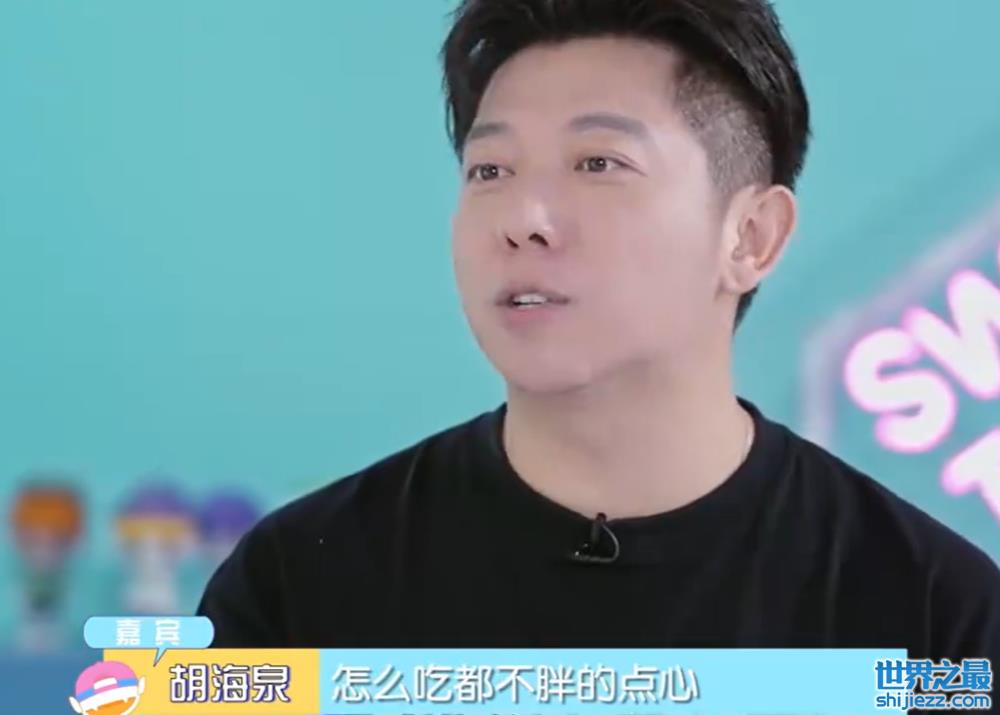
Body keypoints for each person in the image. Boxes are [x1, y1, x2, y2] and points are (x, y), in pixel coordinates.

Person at [198, 0, 1000, 661]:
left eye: (598, 163)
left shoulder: (938, 621)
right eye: (490, 171)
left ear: (750, 237)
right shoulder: (294, 586)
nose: (524, 218)